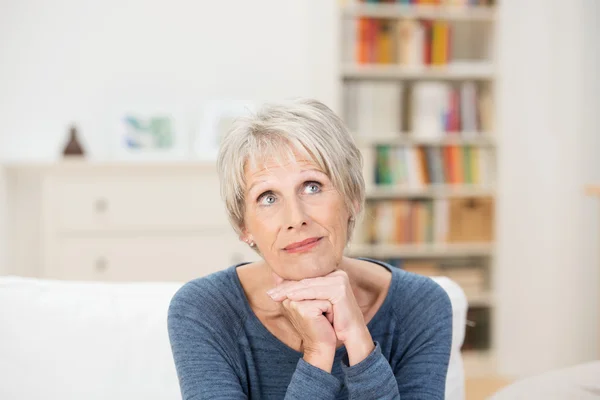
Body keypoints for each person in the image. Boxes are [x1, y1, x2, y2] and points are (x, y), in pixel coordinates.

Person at [168, 98, 452, 399]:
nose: (296, 219)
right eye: (267, 197)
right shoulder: (203, 310)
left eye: (312, 186)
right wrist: (318, 354)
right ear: (245, 227)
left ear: (352, 199)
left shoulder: (420, 304)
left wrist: (359, 342)